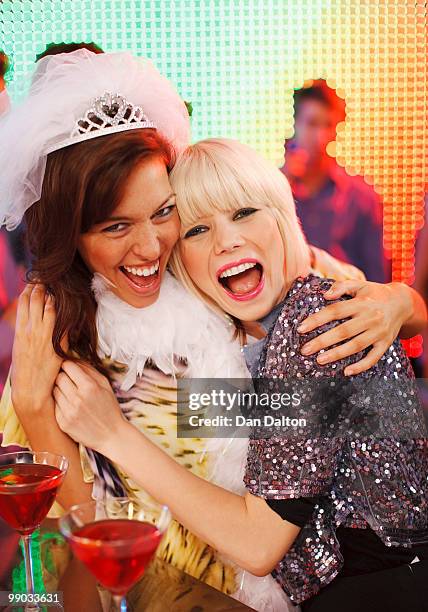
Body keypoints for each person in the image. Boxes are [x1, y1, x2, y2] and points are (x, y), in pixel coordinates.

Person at [0, 51, 425, 610]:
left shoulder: (226, 282)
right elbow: (78, 526)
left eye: (164, 213)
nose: (151, 246)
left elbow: (331, 320)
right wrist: (34, 406)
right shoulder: (56, 334)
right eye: (116, 225)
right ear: (74, 236)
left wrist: (401, 302)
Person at [280, 80, 387, 283]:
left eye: (328, 125)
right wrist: (283, 181)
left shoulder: (362, 198)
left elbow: (376, 278)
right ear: (294, 125)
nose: (320, 136)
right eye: (312, 123)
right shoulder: (272, 188)